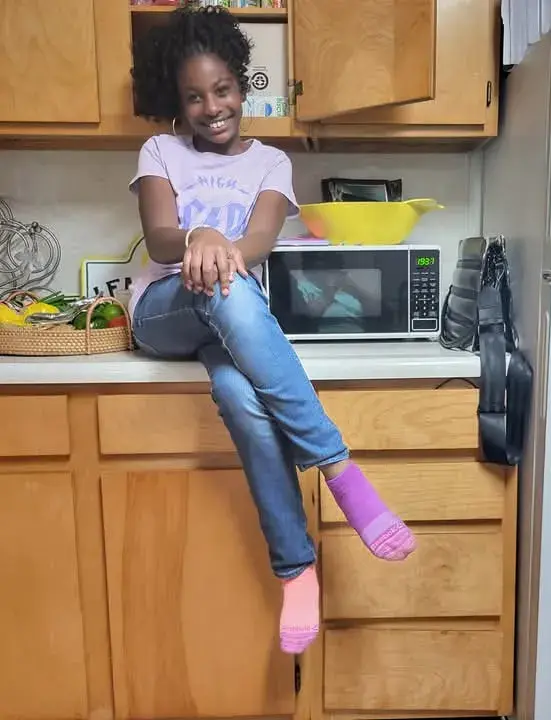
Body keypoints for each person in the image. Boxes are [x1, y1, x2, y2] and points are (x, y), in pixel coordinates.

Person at [129, 5, 415, 655]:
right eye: (194, 97)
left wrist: (221, 249)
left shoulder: (271, 162)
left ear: (242, 84)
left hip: (234, 317)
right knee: (222, 287)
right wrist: (200, 235)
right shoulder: (160, 152)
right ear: (177, 102)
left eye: (222, 89)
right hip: (167, 311)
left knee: (239, 395)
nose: (212, 108)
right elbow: (160, 237)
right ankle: (340, 470)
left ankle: (295, 571)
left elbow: (258, 243)